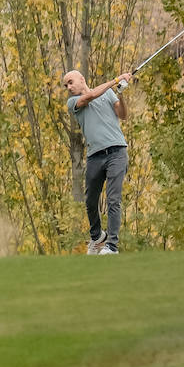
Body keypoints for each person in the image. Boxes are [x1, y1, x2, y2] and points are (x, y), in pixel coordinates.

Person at [62, 70, 133, 255]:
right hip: (94, 156)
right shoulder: (73, 103)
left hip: (117, 151)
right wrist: (116, 80)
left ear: (82, 79)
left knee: (113, 199)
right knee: (91, 200)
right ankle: (97, 237)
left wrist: (120, 93)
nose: (68, 87)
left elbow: (123, 115)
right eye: (66, 85)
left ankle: (112, 246)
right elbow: (91, 95)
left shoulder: (108, 92)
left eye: (70, 82)